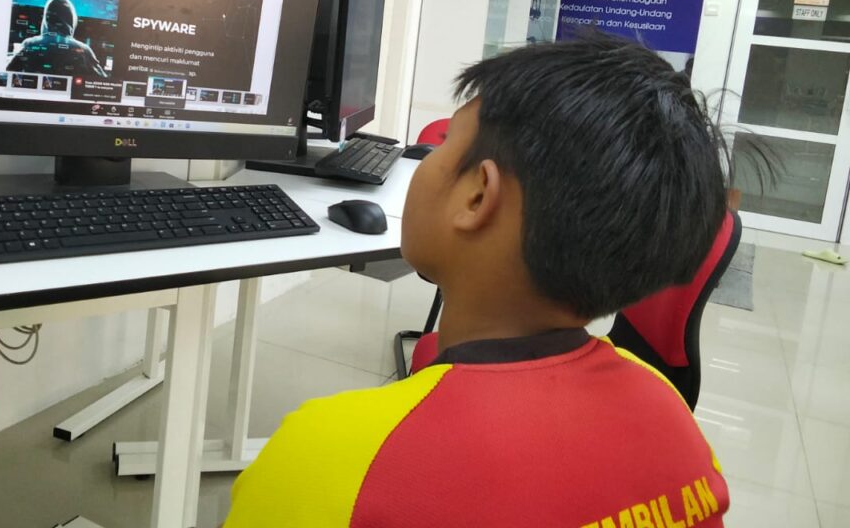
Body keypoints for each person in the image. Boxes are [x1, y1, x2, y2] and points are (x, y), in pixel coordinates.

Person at [224, 34, 729, 527]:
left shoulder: (327, 457)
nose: (428, 157)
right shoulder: (671, 414)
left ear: (477, 197)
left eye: (443, 145)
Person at [6, 0, 107, 77]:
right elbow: (101, 80)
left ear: (46, 18)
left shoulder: (29, 44)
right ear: (71, 19)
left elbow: (8, 72)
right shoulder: (83, 50)